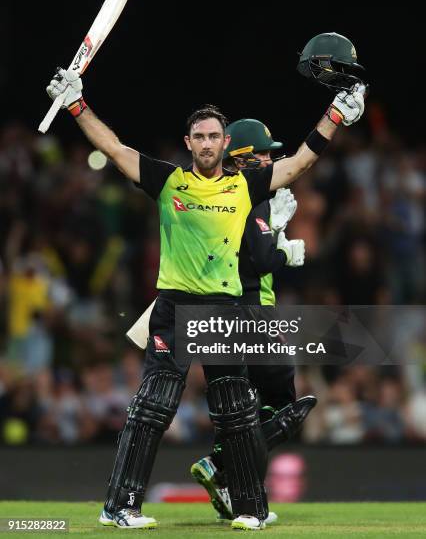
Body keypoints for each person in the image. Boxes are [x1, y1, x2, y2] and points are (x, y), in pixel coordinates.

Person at [46, 67, 365, 530]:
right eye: (200, 137)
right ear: (189, 142)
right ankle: (120, 506)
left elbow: (298, 163)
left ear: (223, 142)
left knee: (237, 412)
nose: (208, 143)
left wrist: (336, 114)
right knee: (154, 406)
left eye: (215, 136)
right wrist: (77, 106)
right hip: (175, 308)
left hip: (224, 310)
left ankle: (251, 510)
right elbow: (113, 150)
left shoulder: (244, 186)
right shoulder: (168, 181)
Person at [190, 119, 316, 522]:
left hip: (221, 313)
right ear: (242, 160)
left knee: (243, 407)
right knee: (283, 407)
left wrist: (273, 229)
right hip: (253, 312)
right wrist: (284, 249)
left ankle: (232, 490)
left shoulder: (215, 194)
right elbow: (259, 262)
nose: (270, 159)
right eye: (263, 154)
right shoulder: (252, 195)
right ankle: (222, 463)